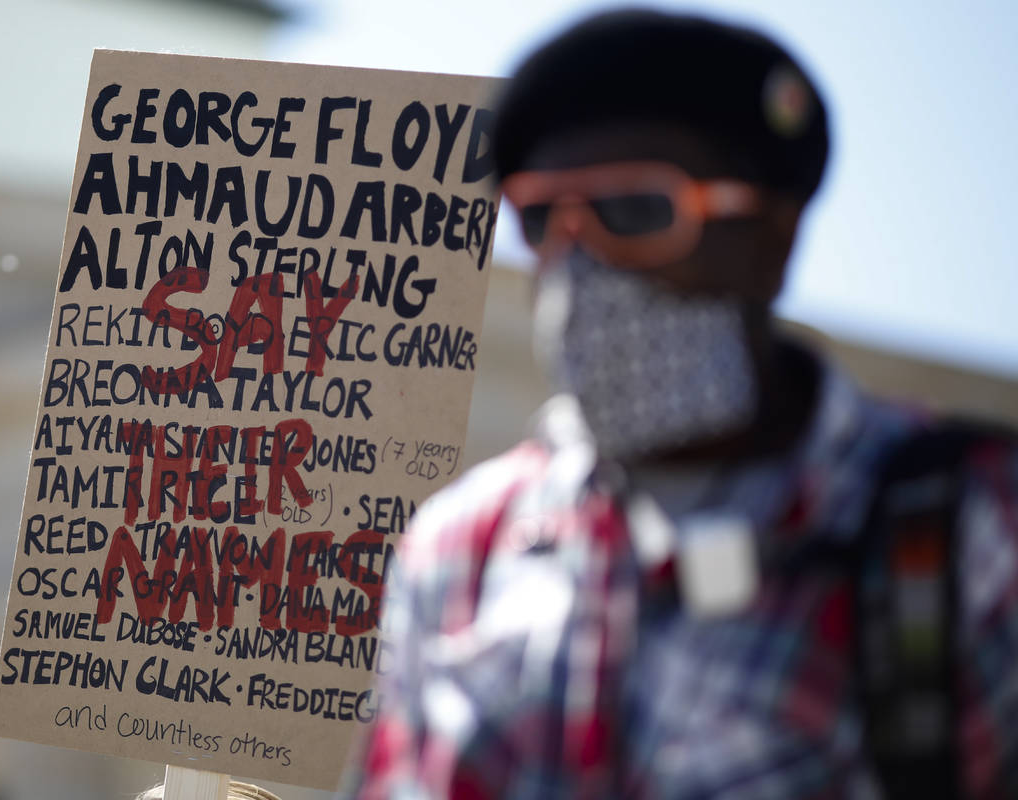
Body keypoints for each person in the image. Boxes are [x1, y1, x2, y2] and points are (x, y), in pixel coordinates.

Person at [345, 9, 1018, 799]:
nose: (582, 264)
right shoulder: (460, 545)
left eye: (636, 211)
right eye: (542, 219)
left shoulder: (969, 523)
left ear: (774, 234)